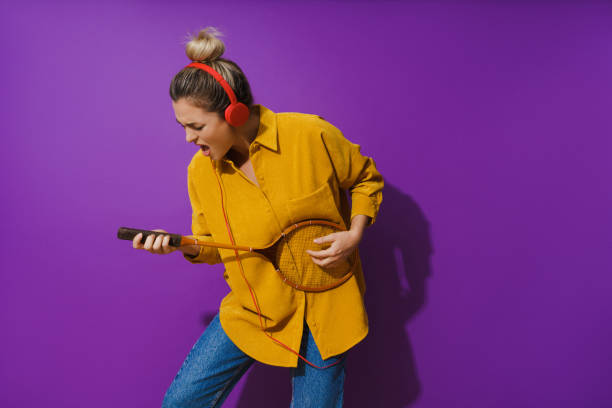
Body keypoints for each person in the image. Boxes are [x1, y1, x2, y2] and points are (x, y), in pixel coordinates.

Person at [132, 27, 384, 407]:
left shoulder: (310, 135)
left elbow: (366, 179)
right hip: (254, 308)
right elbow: (213, 245)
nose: (188, 139)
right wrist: (176, 244)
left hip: (326, 309)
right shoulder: (200, 172)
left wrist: (354, 234)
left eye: (196, 126)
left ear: (233, 113)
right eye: (182, 126)